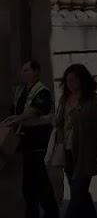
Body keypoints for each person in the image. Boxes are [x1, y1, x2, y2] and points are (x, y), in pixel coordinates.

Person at [53, 64, 97, 218]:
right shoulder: (65, 99)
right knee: (80, 195)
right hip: (67, 152)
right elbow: (59, 122)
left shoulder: (93, 100)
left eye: (73, 80)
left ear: (82, 80)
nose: (70, 84)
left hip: (86, 153)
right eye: (67, 81)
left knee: (78, 195)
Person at [1, 61, 59, 218]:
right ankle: (46, 211)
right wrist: (11, 120)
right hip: (25, 142)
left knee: (36, 182)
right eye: (22, 70)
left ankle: (47, 212)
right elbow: (16, 112)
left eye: (26, 70)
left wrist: (16, 119)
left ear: (36, 72)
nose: (23, 73)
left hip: (38, 142)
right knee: (35, 183)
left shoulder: (42, 91)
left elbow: (34, 111)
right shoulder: (21, 92)